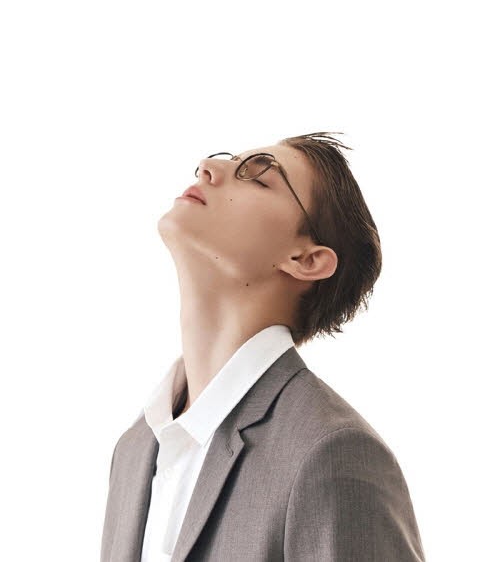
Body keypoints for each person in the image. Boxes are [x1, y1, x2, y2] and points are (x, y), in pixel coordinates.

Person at [100, 131, 426, 561]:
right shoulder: (134, 450)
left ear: (306, 259)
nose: (207, 167)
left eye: (258, 177)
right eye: (223, 160)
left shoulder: (333, 452)